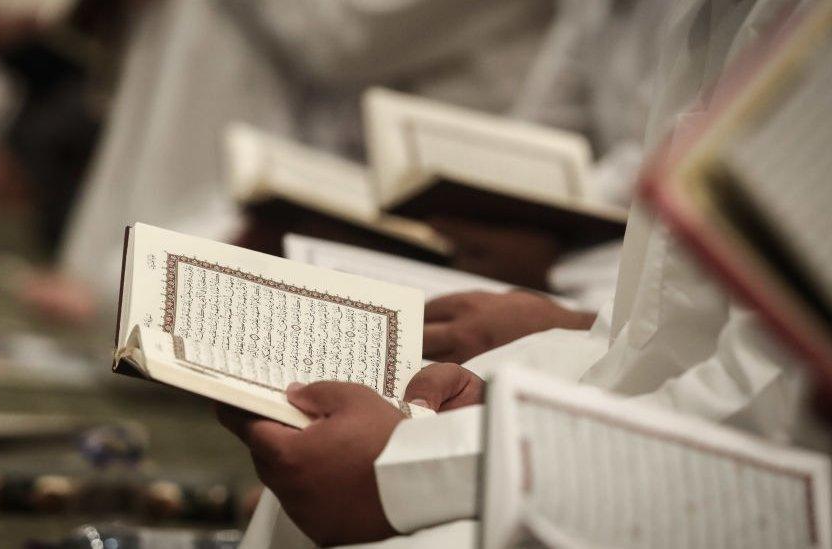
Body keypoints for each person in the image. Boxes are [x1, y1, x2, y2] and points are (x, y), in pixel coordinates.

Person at [219, 0, 823, 546]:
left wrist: (408, 473)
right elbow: (671, 315)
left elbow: (776, 416)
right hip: (673, 393)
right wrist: (566, 340)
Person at [25, 0, 553, 326]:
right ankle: (125, 275)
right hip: (339, 148)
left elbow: (346, 39)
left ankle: (140, 284)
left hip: (444, 192)